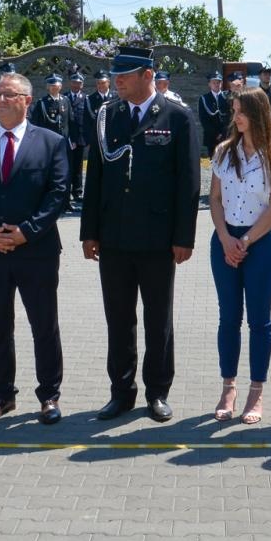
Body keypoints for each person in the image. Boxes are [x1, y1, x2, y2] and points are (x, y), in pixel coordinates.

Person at [82, 45, 202, 421]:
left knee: (157, 318)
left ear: (147, 76)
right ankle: (121, 392)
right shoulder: (107, 116)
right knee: (118, 318)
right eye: (115, 75)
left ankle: (157, 391)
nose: (116, 81)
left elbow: (189, 182)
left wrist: (184, 237)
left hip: (157, 237)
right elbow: (95, 177)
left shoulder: (177, 117)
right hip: (114, 237)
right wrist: (89, 232)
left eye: (124, 76)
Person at [0, 73, 70, 424]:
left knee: (43, 325)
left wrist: (27, 232)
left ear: (27, 101)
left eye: (9, 95)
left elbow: (58, 193)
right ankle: (3, 395)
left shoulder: (51, 142)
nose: (0, 100)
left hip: (35, 250)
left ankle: (48, 396)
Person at [208, 86, 271, 425]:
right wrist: (227, 239)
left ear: (258, 114)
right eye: (234, 110)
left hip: (261, 245)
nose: (236, 116)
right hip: (225, 240)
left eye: (241, 110)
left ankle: (256, 392)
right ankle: (228, 387)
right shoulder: (223, 152)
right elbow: (214, 199)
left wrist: (245, 241)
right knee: (228, 318)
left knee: (259, 320)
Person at [65, 72, 91, 206]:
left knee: (78, 167)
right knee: (66, 166)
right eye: (74, 82)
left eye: (79, 83)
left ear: (82, 84)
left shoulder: (86, 98)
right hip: (67, 138)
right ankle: (66, 193)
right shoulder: (64, 97)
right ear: (70, 83)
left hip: (80, 138)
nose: (76, 85)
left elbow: (89, 118)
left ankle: (78, 192)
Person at [28, 73, 71, 140]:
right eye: (52, 86)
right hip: (48, 137)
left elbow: (71, 120)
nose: (54, 88)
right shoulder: (42, 102)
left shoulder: (66, 100)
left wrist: (72, 138)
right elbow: (36, 122)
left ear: (60, 86)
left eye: (56, 86)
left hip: (63, 138)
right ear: (47, 87)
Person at [196, 73, 228, 158]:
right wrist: (216, 134)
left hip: (227, 135)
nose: (216, 84)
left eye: (218, 82)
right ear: (209, 84)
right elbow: (204, 119)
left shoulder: (227, 96)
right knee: (214, 162)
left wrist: (223, 133)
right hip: (212, 137)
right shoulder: (204, 98)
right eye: (214, 82)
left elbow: (230, 117)